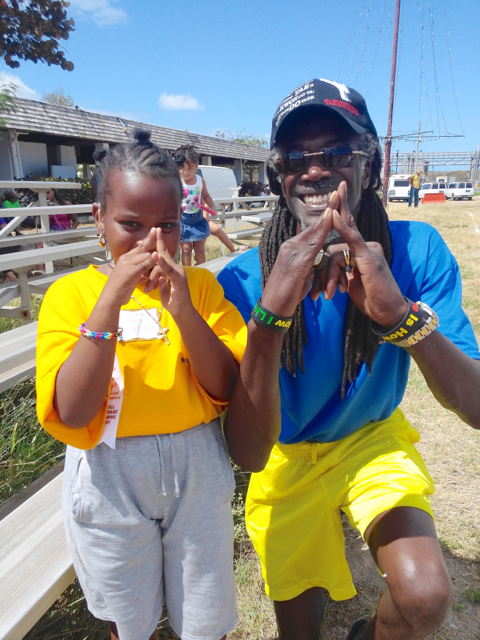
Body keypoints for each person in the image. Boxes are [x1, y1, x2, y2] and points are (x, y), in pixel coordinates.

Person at [219, 79, 480, 640]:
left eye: (338, 153)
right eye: (296, 158)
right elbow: (248, 452)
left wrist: (399, 317)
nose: (315, 171)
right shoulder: (240, 281)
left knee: (426, 596)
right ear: (277, 177)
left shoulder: (417, 250)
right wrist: (270, 316)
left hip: (370, 438)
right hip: (285, 457)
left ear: (372, 168)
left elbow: (476, 404)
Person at [36, 130, 247, 640]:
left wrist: (182, 311)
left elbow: (224, 387)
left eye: (168, 226)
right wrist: (109, 302)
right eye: (131, 224)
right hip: (109, 474)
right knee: (129, 620)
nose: (152, 242)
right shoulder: (73, 295)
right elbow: (75, 408)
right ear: (98, 221)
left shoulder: (198, 288)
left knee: (204, 609)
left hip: (195, 465)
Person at [173, 145, 248, 265]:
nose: (185, 171)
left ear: (196, 166)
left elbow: (206, 196)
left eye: (190, 167)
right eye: (182, 167)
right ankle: (188, 275)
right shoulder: (176, 181)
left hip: (197, 219)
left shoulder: (200, 181)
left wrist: (212, 206)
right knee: (186, 250)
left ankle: (203, 270)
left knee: (200, 249)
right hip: (183, 221)